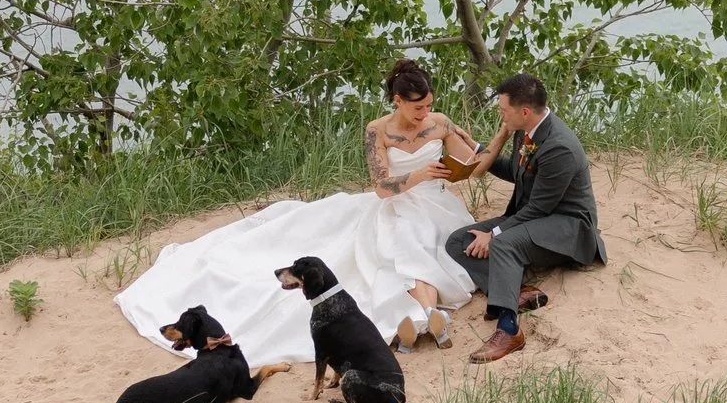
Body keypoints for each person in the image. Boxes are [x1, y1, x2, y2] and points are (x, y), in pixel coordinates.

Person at [113, 59, 485, 363]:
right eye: (418, 107)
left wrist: (477, 153)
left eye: (429, 105)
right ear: (397, 101)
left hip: (437, 203)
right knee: (405, 236)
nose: (425, 114)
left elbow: (472, 159)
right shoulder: (377, 130)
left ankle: (427, 317)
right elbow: (380, 187)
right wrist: (418, 174)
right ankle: (430, 316)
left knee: (422, 238)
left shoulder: (440, 122)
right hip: (396, 202)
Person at [443, 73, 606, 365]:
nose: (500, 114)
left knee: (503, 244)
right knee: (458, 241)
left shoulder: (559, 147)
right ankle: (519, 293)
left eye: (503, 110)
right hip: (536, 218)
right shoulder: (525, 131)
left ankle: (509, 330)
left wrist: (493, 233)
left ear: (524, 111)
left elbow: (539, 209)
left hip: (568, 227)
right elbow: (515, 172)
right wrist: (480, 149)